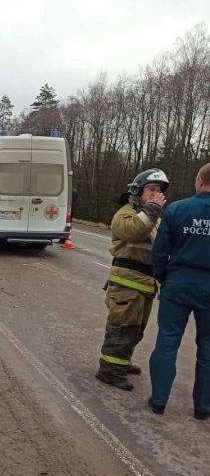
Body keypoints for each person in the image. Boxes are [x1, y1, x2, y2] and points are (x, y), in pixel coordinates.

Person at [95, 168, 169, 391]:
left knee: (136, 330)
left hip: (145, 283)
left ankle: (121, 363)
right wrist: (153, 209)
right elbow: (132, 232)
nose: (157, 195)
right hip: (126, 283)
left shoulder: (152, 216)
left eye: (160, 191)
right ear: (138, 191)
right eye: (152, 190)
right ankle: (109, 371)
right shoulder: (126, 213)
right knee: (121, 329)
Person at [148, 163, 210, 419]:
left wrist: (164, 278)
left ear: (198, 180)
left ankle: (159, 400)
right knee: (208, 347)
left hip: (178, 283)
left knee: (167, 340)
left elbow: (159, 252)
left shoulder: (177, 209)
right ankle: (203, 407)